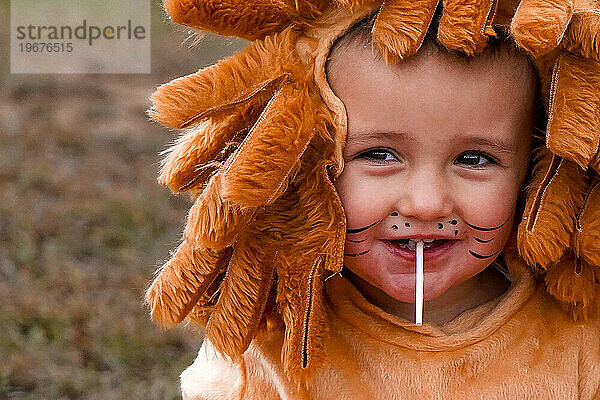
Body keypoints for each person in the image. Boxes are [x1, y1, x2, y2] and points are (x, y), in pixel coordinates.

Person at [145, 1, 600, 399]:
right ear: (311, 164)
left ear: (535, 174)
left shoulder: (581, 340)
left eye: (474, 159)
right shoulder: (268, 349)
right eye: (379, 155)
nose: (425, 204)